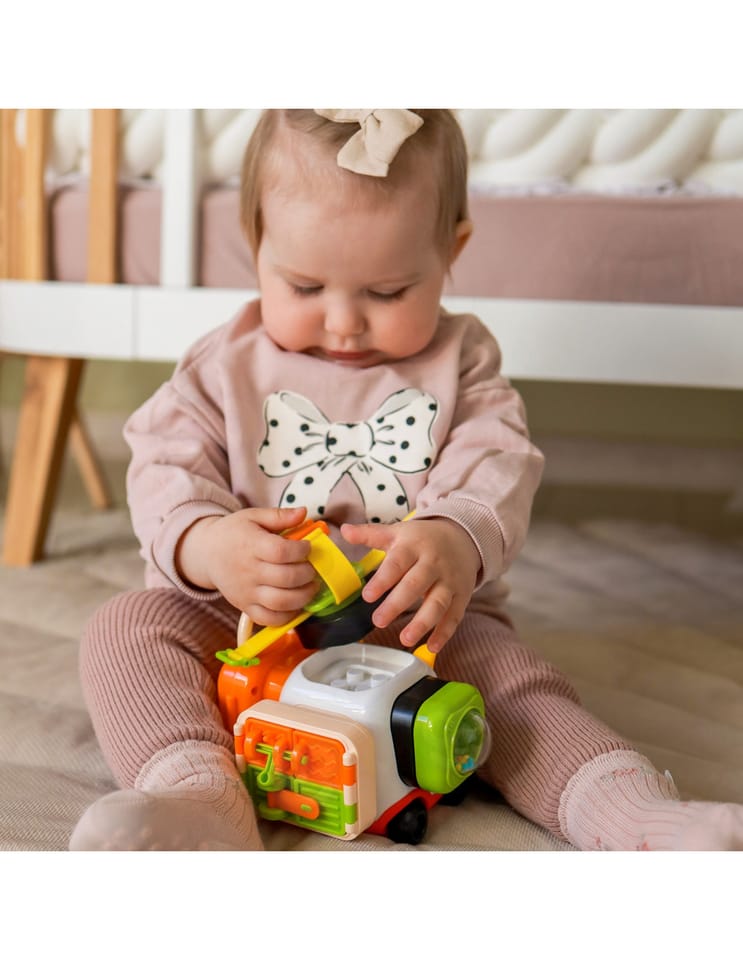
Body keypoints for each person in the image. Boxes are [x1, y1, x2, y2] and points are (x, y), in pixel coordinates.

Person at [70, 109, 743, 851]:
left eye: (387, 292)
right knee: (126, 629)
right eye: (304, 285)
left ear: (451, 250)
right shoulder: (221, 364)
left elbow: (497, 459)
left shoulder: (462, 362)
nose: (343, 323)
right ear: (256, 244)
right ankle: (198, 794)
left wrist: (453, 536)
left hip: (416, 627)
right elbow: (163, 464)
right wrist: (208, 545)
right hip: (250, 627)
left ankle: (630, 814)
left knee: (515, 689)